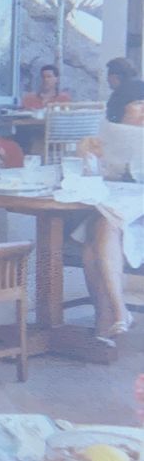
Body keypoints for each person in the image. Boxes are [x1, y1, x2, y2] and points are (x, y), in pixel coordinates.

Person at [75, 118, 144, 337]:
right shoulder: (107, 140)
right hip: (114, 213)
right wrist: (91, 159)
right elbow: (91, 182)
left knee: (93, 243)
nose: (142, 110)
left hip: (138, 220)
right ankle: (117, 313)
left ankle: (109, 316)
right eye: (136, 105)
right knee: (100, 229)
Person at [105, 57, 144, 124]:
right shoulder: (142, 86)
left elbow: (112, 121)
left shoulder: (118, 95)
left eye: (108, 77)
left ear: (114, 77)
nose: (107, 80)